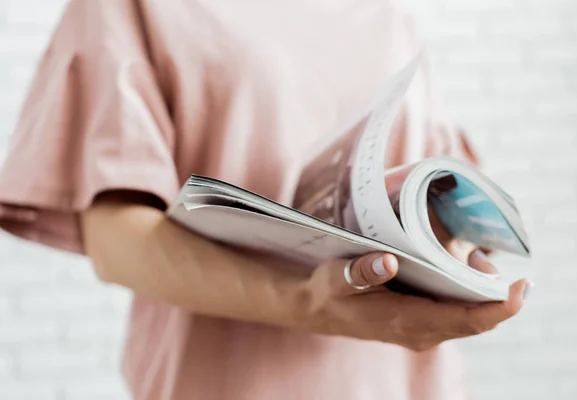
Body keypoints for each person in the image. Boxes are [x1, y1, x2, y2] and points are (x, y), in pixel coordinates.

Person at [0, 1, 532, 399]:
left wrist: (453, 262)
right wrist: (308, 302)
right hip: (223, 381)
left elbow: (431, 179)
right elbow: (115, 236)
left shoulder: (385, 12)